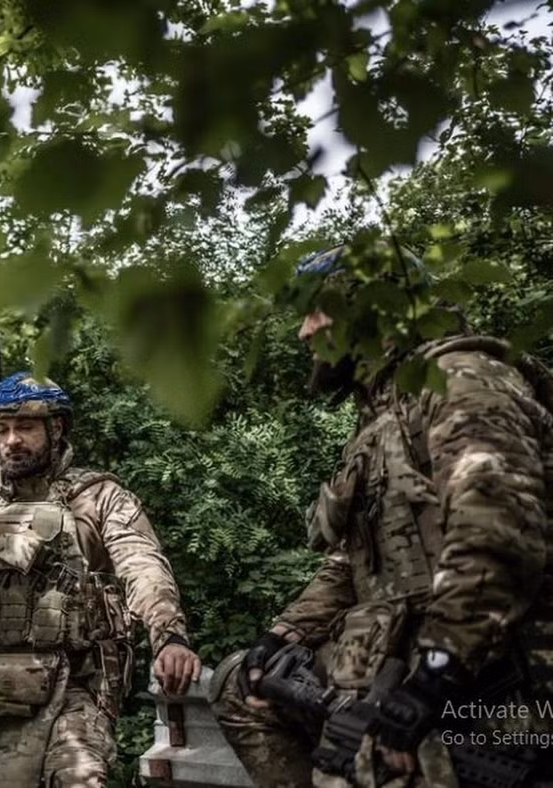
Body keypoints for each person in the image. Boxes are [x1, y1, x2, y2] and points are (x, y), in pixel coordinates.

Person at [210, 241, 553, 787]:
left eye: (315, 310)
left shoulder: (459, 379)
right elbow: (354, 562)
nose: (304, 333)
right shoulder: (382, 416)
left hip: (490, 672)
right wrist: (283, 634)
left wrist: (436, 677)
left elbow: (500, 538)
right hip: (393, 656)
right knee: (238, 683)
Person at [0, 371, 202, 788]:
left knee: (79, 779)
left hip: (78, 684)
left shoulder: (99, 498)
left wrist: (169, 637)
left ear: (56, 428)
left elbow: (143, 567)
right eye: (3, 429)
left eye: (25, 427)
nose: (12, 440)